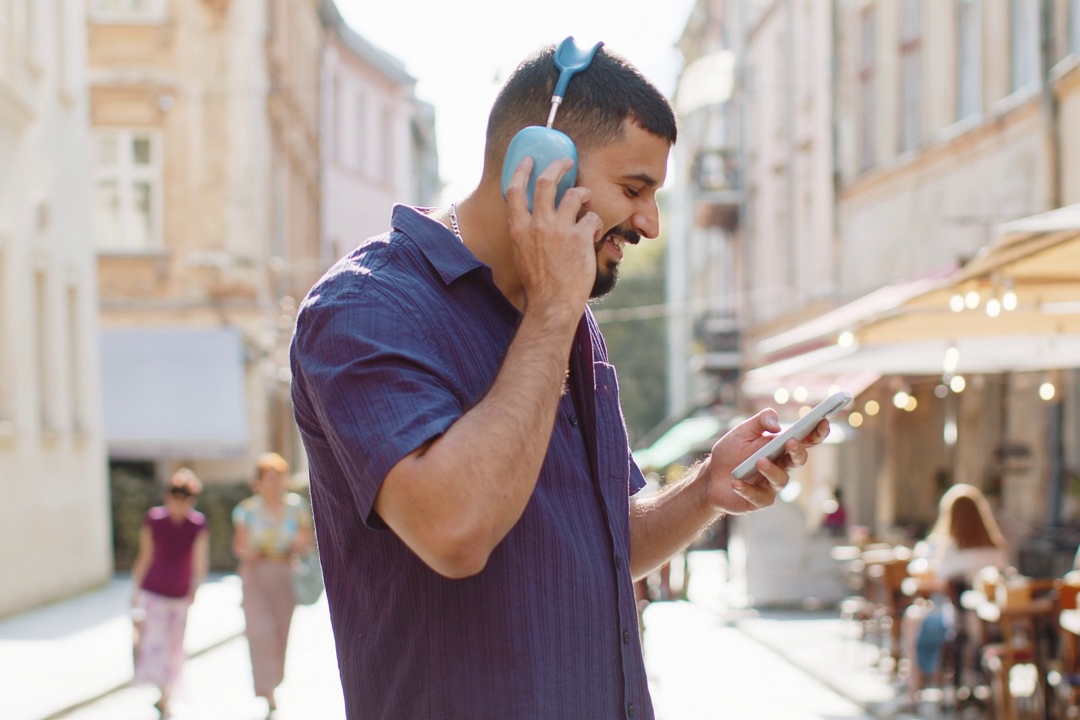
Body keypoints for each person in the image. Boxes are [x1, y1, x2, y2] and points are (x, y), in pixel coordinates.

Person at [288, 40, 828, 720]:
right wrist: (550, 310)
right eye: (633, 190)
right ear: (537, 168)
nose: (650, 224)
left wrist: (705, 489)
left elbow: (605, 544)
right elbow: (456, 529)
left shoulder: (565, 320)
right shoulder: (366, 309)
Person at [900, 483, 1010, 707]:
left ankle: (914, 690)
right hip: (993, 625)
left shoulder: (950, 549)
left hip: (959, 626)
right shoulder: (997, 547)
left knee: (914, 618)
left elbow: (936, 579)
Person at [232, 452, 314, 716]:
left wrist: (298, 545)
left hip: (284, 571)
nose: (274, 482)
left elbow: (307, 538)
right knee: (259, 630)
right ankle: (265, 688)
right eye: (269, 477)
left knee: (280, 631)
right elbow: (239, 545)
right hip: (256, 573)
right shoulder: (246, 510)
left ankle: (274, 683)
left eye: (278, 477)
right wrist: (249, 553)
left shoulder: (295, 506)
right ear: (259, 481)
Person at [131, 468, 210, 718]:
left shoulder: (197, 524)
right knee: (155, 642)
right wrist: (135, 589)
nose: (179, 501)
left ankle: (167, 694)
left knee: (175, 645)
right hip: (154, 589)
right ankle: (161, 691)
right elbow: (145, 554)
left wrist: (195, 586)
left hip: (179, 592)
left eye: (185, 496)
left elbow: (200, 559)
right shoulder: (154, 519)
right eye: (175, 495)